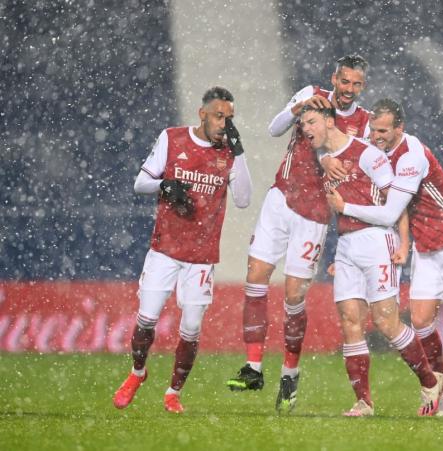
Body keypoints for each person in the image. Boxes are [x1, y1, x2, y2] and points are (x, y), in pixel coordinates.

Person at [225, 55, 370, 414]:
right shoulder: (311, 93)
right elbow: (274, 129)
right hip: (280, 197)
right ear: (334, 78)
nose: (349, 90)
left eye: (357, 84)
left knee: (293, 296)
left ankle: (290, 371)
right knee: (255, 277)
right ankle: (254, 368)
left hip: (315, 215)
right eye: (345, 81)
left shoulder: (364, 124)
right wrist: (301, 107)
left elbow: (358, 173)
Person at [327, 99, 443, 417]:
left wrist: (344, 208)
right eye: (373, 129)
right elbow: (345, 153)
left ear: (401, 128)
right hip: (426, 246)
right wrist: (327, 160)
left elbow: (390, 211)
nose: (376, 136)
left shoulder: (411, 158)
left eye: (384, 130)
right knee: (421, 322)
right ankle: (436, 381)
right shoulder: (376, 151)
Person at [112, 87, 252, 413]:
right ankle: (137, 373)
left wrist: (240, 151)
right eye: (219, 116)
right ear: (202, 114)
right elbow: (140, 182)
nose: (224, 124)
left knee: (190, 328)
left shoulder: (229, 154)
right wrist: (166, 184)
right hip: (164, 249)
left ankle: (173, 392)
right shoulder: (173, 138)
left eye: (229, 118)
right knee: (146, 319)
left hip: (201, 258)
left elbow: (244, 199)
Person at [302, 104, 443, 417]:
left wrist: (404, 243)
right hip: (347, 244)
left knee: (385, 322)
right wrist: (340, 254)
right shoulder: (323, 159)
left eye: (311, 122)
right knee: (350, 322)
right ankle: (363, 401)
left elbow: (397, 203)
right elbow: (334, 208)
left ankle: (429, 381)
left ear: (328, 122)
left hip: (378, 240)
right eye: (303, 124)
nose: (306, 129)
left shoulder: (369, 155)